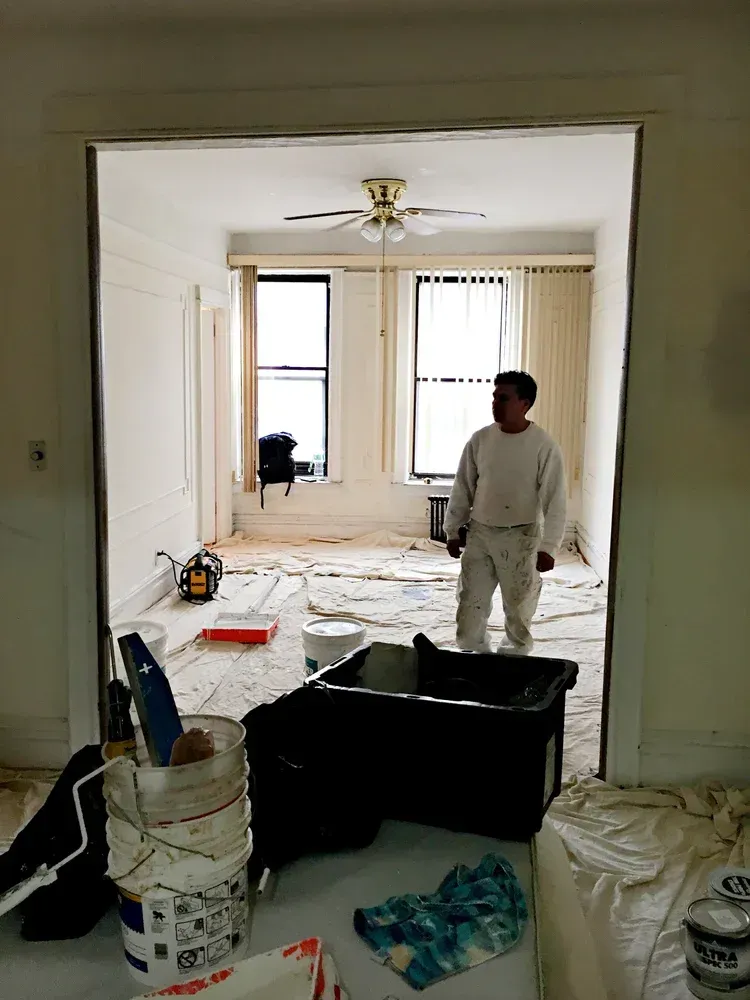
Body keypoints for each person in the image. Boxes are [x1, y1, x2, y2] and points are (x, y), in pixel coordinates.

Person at [444, 371, 566, 655]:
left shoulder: (543, 446)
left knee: (519, 607)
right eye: (494, 397)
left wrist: (549, 547)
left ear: (524, 403)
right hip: (480, 535)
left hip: (521, 538)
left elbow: (555, 500)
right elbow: (462, 487)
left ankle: (513, 660)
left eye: (504, 398)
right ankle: (473, 656)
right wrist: (452, 530)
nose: (495, 403)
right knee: (471, 602)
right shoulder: (481, 440)